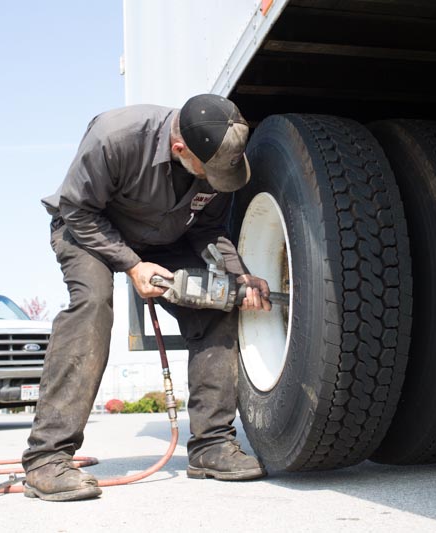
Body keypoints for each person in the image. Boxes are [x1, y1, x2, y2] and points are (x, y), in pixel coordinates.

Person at [22, 94, 272, 502]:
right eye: (207, 173)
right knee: (92, 306)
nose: (215, 181)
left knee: (219, 307)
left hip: (166, 238)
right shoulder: (115, 137)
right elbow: (78, 212)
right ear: (180, 149)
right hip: (88, 231)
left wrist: (239, 275)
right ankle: (47, 459)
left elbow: (208, 231)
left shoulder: (215, 162)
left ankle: (210, 447)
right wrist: (132, 265)